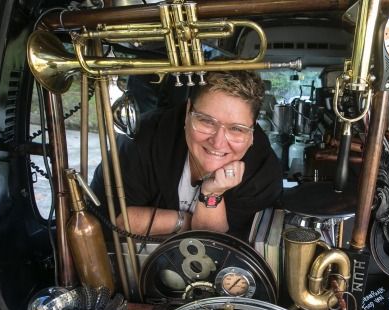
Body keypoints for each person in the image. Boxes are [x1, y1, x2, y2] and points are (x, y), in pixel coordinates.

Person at [90, 71, 283, 240]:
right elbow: (114, 221)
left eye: (236, 129)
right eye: (206, 121)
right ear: (187, 111)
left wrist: (212, 193)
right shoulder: (143, 138)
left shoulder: (263, 174)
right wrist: (187, 221)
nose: (218, 142)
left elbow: (220, 246)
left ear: (252, 129)